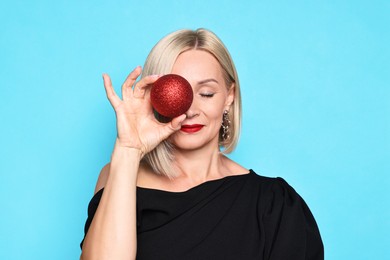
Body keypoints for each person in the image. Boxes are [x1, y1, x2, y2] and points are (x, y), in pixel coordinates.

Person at [80, 28, 324, 260]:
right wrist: (129, 150)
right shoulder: (120, 175)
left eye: (206, 93)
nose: (191, 111)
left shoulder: (274, 203)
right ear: (154, 97)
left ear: (229, 97)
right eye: (176, 94)